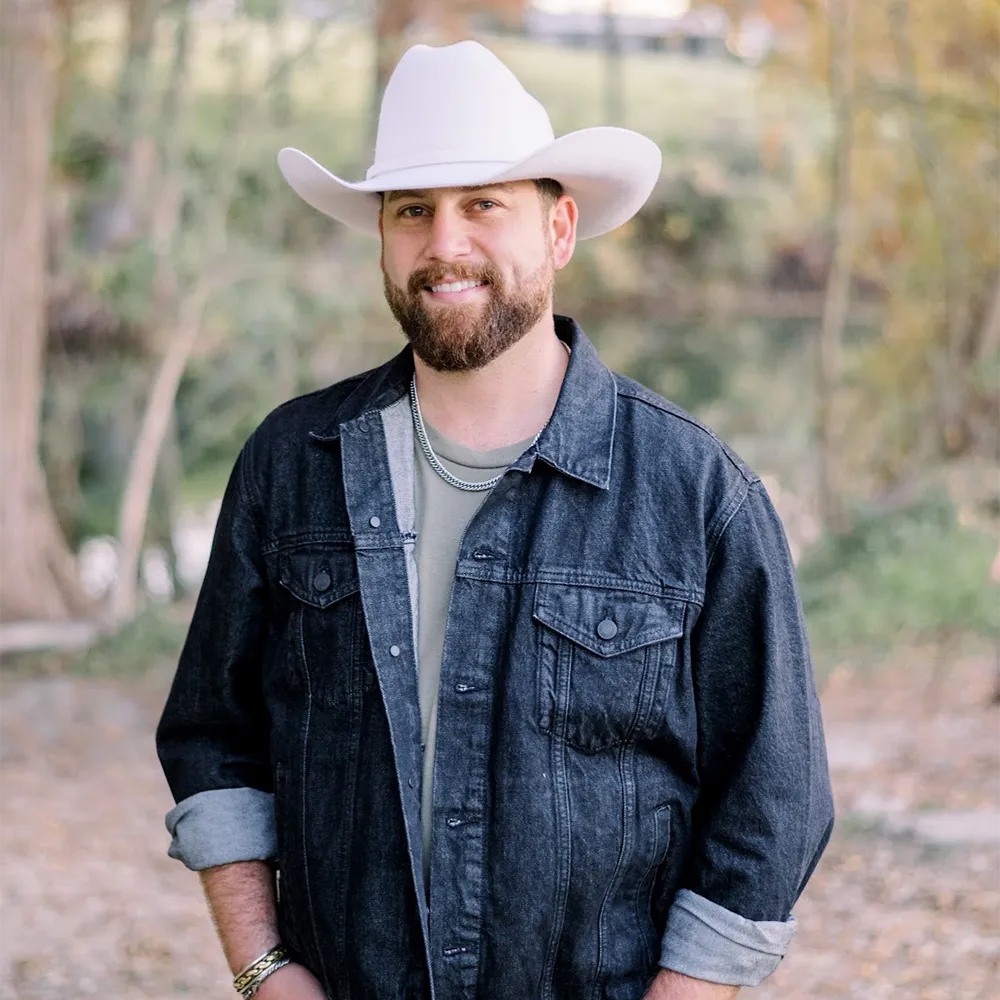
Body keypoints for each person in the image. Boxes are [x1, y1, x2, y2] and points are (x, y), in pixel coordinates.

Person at [156, 40, 834, 1000]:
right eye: (412, 212)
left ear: (559, 230)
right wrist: (264, 970)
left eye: (484, 205)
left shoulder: (697, 492)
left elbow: (774, 803)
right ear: (383, 236)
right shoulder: (289, 465)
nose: (445, 245)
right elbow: (212, 740)